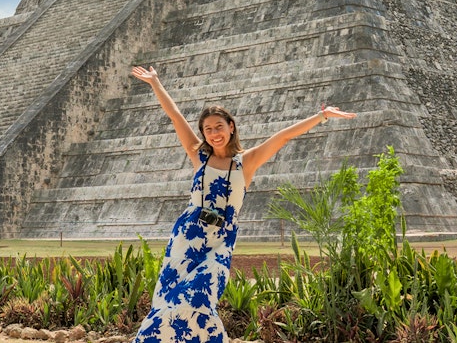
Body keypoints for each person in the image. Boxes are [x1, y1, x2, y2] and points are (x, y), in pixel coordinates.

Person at [130, 65, 357, 343]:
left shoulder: (245, 163)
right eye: (207, 129)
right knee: (169, 301)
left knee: (200, 297)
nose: (214, 133)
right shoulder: (198, 156)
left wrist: (321, 116)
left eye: (219, 127)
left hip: (220, 241)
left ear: (231, 127)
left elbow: (283, 137)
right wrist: (155, 83)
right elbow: (175, 116)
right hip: (187, 237)